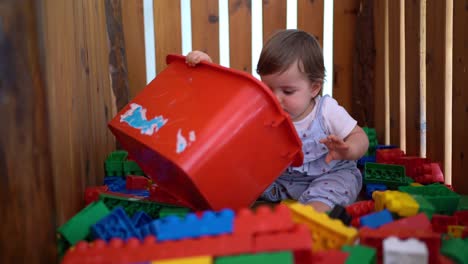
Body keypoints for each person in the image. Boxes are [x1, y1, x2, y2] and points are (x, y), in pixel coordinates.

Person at [185, 29, 369, 212]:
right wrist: (206, 69)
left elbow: (359, 135)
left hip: (329, 175)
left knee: (336, 187)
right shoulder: (263, 108)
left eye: (287, 91)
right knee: (236, 180)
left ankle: (313, 215)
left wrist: (349, 150)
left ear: (314, 88)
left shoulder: (326, 111)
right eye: (267, 88)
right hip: (280, 180)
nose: (275, 98)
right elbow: (227, 100)